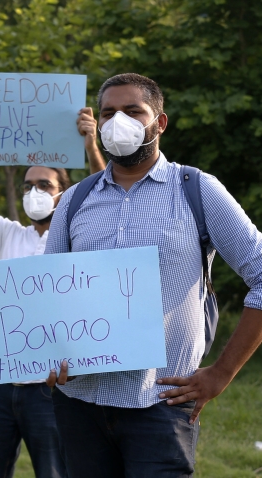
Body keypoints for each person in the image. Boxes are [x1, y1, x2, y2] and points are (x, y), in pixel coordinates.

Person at [45, 73, 262, 477]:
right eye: (108, 113)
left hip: (160, 405)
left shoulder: (198, 189)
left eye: (133, 111)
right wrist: (43, 354)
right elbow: (49, 296)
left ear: (159, 122)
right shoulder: (74, 199)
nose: (118, 122)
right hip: (79, 404)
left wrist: (221, 373)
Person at [0, 108, 105, 478]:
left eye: (44, 185)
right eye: (27, 186)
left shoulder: (81, 238)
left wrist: (92, 146)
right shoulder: (7, 235)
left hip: (53, 388)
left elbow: (106, 203)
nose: (33, 192)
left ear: (64, 193)